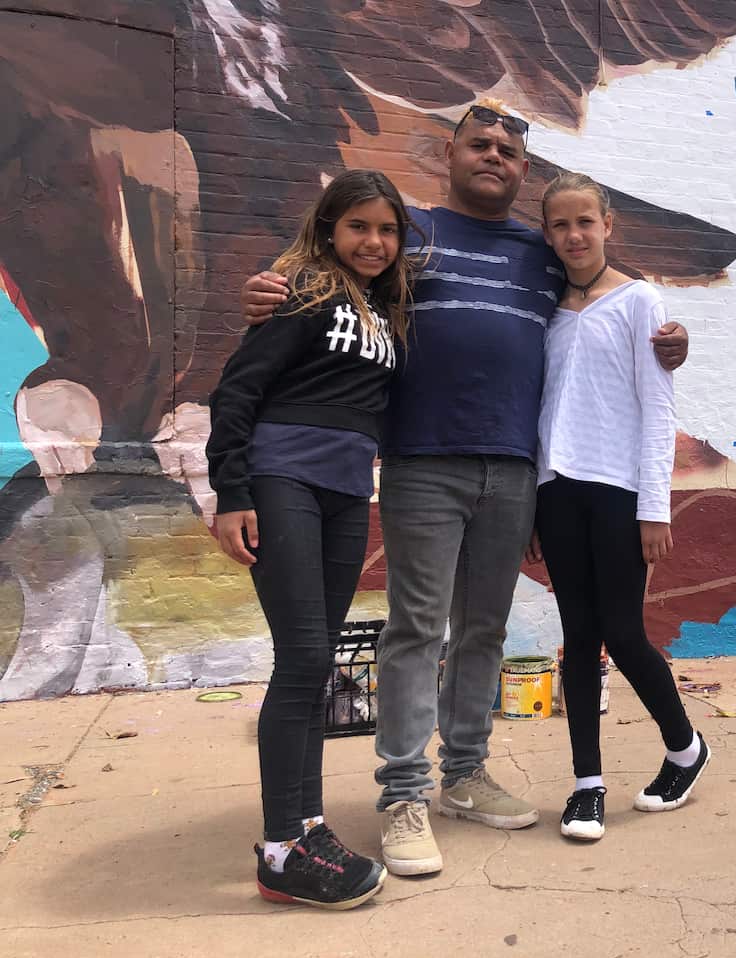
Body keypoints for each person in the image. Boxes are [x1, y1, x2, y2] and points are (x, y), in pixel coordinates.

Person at [239, 101, 690, 875]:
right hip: (423, 462)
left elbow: (602, 301)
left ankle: (465, 775)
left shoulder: (541, 254)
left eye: (507, 151)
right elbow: (328, 269)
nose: (492, 158)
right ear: (449, 154)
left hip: (514, 469)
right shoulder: (406, 236)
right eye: (479, 145)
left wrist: (670, 339)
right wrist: (271, 288)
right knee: (418, 628)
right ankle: (403, 796)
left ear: (524, 171)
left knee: (483, 628)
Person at [208, 169, 418, 907]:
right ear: (329, 229)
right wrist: (233, 493)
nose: (374, 241)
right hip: (283, 481)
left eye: (387, 229)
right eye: (358, 226)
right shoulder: (302, 291)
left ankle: (307, 827)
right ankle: (279, 850)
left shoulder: (383, 307)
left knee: (317, 661)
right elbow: (237, 389)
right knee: (301, 659)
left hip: (346, 491)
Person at [528, 173, 709, 841]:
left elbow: (658, 409)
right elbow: (539, 407)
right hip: (555, 489)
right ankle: (587, 786)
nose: (574, 235)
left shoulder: (640, 302)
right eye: (561, 224)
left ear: (608, 225)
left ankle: (685, 749)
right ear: (547, 233)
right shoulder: (545, 310)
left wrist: (655, 508)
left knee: (623, 633)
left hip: (619, 491)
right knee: (578, 638)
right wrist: (533, 501)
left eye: (586, 222)